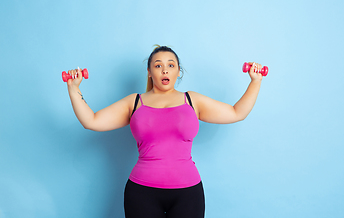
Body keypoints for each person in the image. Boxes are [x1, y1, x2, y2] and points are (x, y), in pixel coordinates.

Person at [66, 45, 263, 218]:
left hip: (188, 193)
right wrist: (73, 88)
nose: (164, 70)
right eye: (158, 65)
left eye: (171, 65)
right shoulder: (134, 102)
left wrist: (255, 81)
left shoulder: (192, 100)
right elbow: (91, 121)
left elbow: (237, 112)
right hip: (142, 193)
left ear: (179, 72)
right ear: (149, 72)